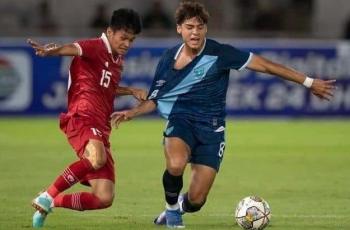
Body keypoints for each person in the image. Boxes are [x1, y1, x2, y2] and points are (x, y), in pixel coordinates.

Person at [111, 1, 336, 228]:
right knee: (176, 164)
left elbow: (266, 65)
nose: (195, 32)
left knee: (197, 200)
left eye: (199, 27)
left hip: (212, 130)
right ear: (179, 28)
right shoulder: (168, 59)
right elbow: (156, 98)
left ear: (206, 29)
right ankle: (172, 212)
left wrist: (308, 82)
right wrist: (132, 112)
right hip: (181, 121)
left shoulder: (221, 53)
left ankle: (179, 206)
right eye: (189, 27)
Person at [28, 8, 145, 228]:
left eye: (132, 40)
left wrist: (130, 91)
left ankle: (51, 201)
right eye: (124, 38)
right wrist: (51, 51)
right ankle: (48, 194)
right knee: (96, 159)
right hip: (82, 116)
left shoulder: (117, 61)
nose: (127, 44)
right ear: (110, 32)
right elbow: (73, 48)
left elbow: (107, 87)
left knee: (103, 197)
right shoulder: (95, 46)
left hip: (101, 126)